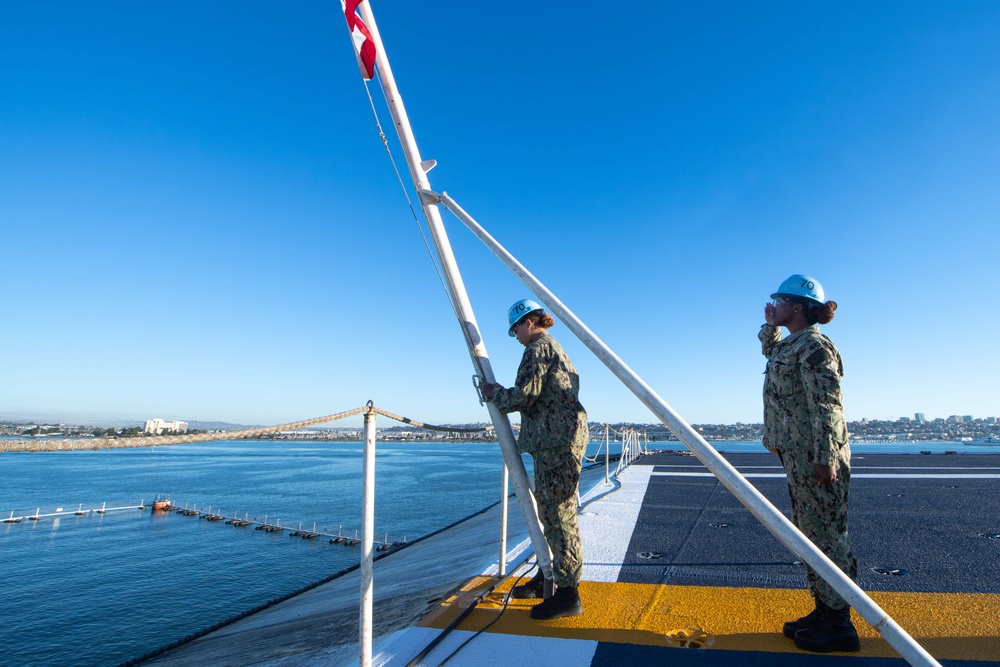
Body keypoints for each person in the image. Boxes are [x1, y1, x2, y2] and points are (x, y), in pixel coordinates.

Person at [760, 274, 860, 653]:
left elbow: (828, 405)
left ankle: (839, 623)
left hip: (817, 457)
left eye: (779, 301)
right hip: (798, 456)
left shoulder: (815, 346)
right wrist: (769, 328)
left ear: (797, 306)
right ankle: (823, 608)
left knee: (828, 537)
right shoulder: (792, 344)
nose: (774, 305)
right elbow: (772, 355)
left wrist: (827, 456)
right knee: (811, 535)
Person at [479, 298, 589, 620]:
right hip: (556, 441)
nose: (517, 338)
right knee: (551, 510)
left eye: (515, 331)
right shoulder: (551, 347)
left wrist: (493, 394)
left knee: (558, 513)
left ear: (528, 322)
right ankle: (550, 577)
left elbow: (525, 394)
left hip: (557, 442)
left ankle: (568, 593)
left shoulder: (538, 348)